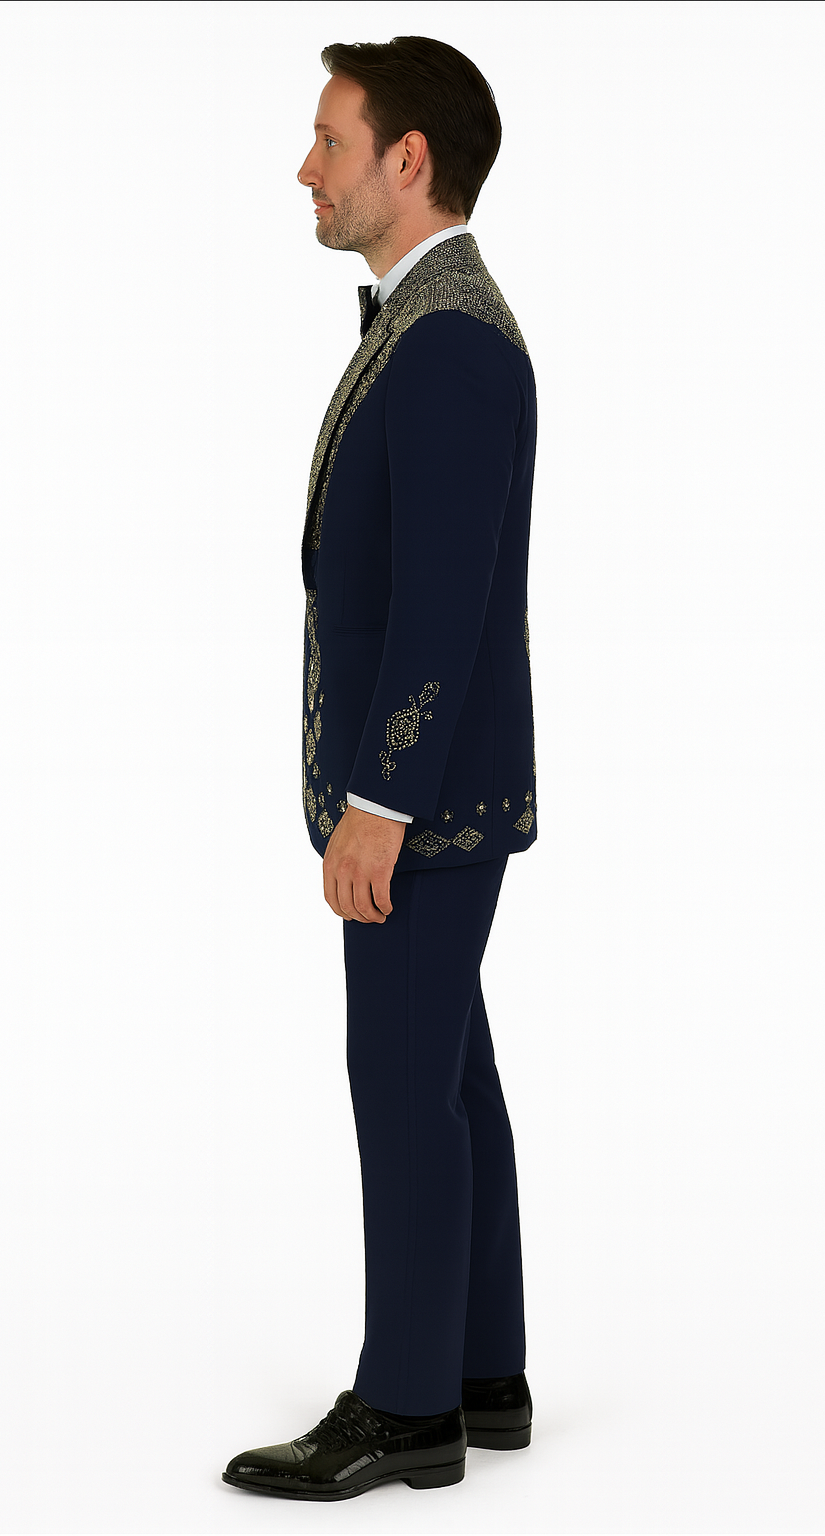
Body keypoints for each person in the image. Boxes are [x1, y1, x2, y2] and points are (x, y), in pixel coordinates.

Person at [223, 35, 538, 1502]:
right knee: (447, 1068)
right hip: (436, 793)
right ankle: (481, 1367)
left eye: (330, 141)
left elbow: (443, 601)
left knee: (404, 1084)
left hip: (425, 799)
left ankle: (407, 1407)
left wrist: (378, 805)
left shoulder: (453, 338)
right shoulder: (428, 321)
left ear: (409, 161)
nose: (307, 169)